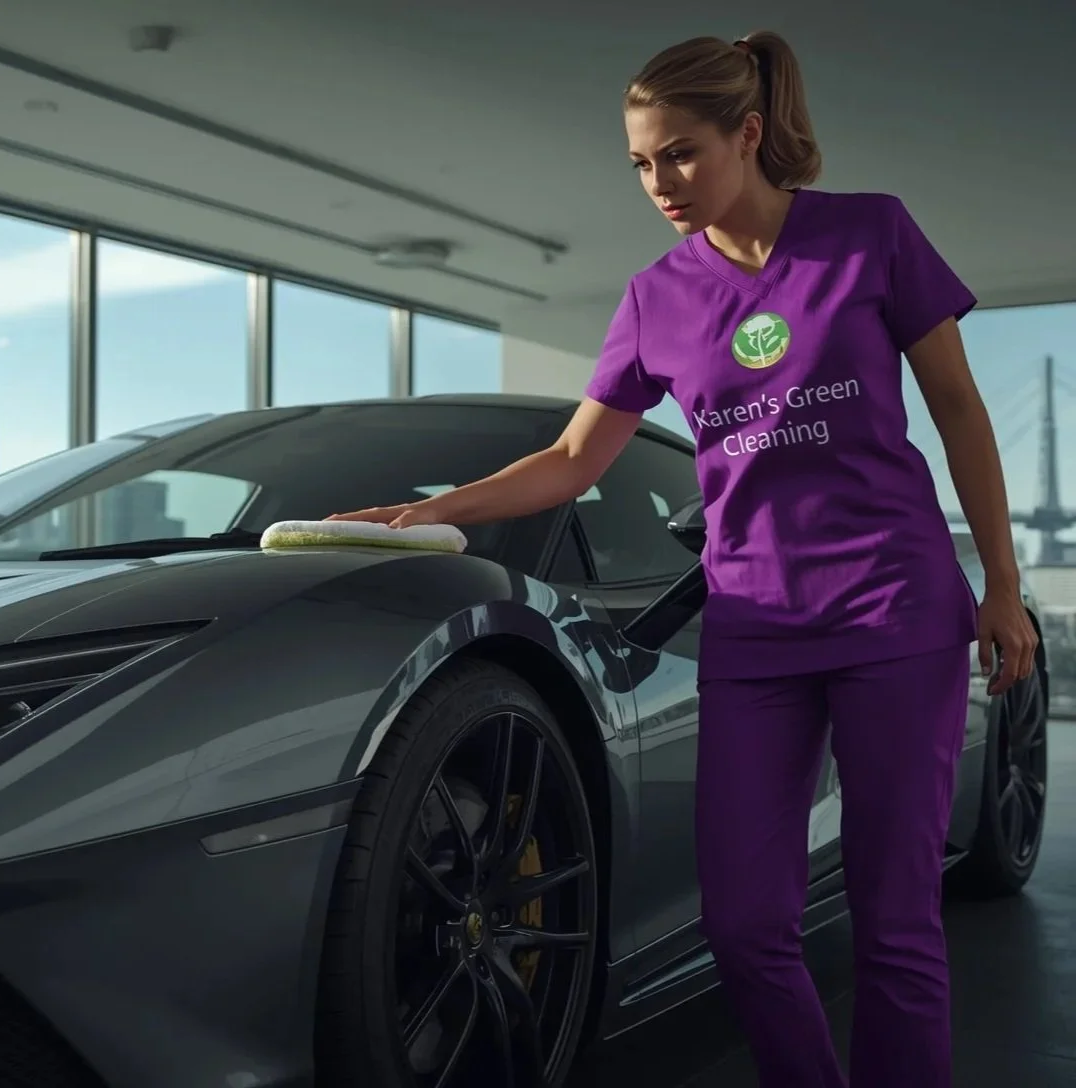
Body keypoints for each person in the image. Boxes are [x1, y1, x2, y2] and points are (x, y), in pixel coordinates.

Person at [327, 29, 1038, 1088]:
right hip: (753, 630)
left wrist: (1003, 584)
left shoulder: (868, 235)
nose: (658, 182)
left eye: (680, 153)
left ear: (747, 134)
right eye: (640, 163)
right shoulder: (655, 296)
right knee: (745, 922)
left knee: (894, 920)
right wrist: (433, 511)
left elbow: (958, 409)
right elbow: (572, 458)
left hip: (895, 614)